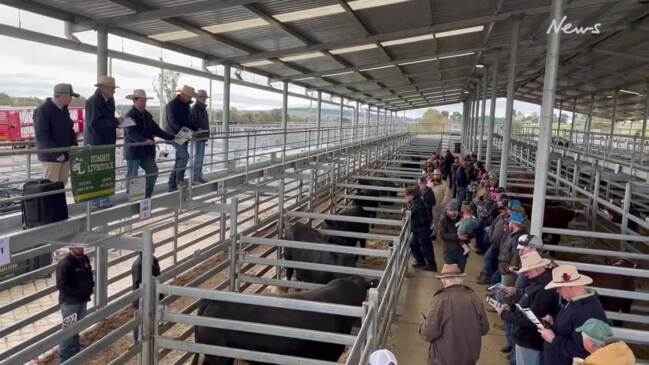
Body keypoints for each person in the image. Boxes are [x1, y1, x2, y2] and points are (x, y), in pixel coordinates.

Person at [498, 251, 560, 365]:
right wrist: (511, 307)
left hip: (530, 341)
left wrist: (505, 314)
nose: (525, 274)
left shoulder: (543, 289)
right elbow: (527, 305)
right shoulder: (538, 283)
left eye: (527, 271)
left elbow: (532, 321)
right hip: (528, 339)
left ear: (535, 269)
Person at [419, 264, 489, 365]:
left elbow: (429, 332)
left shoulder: (440, 300)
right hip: (470, 359)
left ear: (444, 280)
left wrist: (421, 328)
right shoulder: (474, 297)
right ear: (461, 279)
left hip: (444, 360)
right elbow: (484, 329)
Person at [540, 265, 607, 365]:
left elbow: (583, 351)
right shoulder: (574, 300)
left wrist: (553, 339)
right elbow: (570, 326)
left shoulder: (586, 312)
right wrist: (554, 321)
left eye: (559, 288)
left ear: (570, 286)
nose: (557, 291)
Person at [124, 89, 175, 198]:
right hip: (134, 151)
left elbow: (157, 130)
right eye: (141, 101)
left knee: (153, 171)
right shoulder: (128, 115)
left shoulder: (147, 115)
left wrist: (172, 137)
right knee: (132, 175)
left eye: (145, 101)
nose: (144, 103)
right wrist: (144, 141)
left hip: (145, 151)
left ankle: (146, 195)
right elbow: (130, 133)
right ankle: (131, 197)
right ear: (134, 101)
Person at [85, 75, 122, 209]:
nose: (114, 91)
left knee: (106, 172)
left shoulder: (110, 100)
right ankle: (94, 203)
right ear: (104, 88)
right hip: (96, 143)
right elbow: (93, 123)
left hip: (107, 142)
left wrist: (117, 122)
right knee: (95, 173)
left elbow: (106, 120)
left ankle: (105, 201)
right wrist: (115, 121)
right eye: (112, 88)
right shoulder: (93, 101)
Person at [33, 83, 79, 183]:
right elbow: (42, 135)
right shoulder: (43, 110)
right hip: (51, 158)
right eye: (70, 96)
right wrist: (57, 153)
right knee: (51, 186)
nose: (72, 99)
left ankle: (60, 199)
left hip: (65, 154)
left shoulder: (64, 109)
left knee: (61, 185)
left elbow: (69, 128)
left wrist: (73, 145)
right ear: (62, 96)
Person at [56, 245, 94, 363]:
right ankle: (64, 359)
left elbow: (89, 274)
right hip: (70, 303)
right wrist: (79, 293)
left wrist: (90, 286)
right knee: (68, 332)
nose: (81, 250)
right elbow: (61, 286)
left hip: (82, 300)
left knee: (76, 328)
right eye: (78, 248)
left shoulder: (84, 259)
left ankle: (75, 355)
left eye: (82, 248)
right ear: (71, 248)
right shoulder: (65, 264)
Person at [166, 85, 196, 192]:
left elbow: (188, 121)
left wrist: (194, 129)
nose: (190, 99)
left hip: (184, 134)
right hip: (174, 135)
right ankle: (179, 180)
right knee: (184, 156)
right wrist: (186, 131)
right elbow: (172, 121)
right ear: (183, 94)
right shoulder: (172, 105)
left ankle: (172, 184)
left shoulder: (186, 105)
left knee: (180, 159)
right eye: (189, 96)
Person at [131, 253, 161, 341]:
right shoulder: (138, 264)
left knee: (149, 317)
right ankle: (137, 342)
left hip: (152, 295)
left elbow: (157, 277)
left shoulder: (153, 260)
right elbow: (138, 284)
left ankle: (148, 339)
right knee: (140, 319)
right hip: (142, 298)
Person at [405, 187, 436, 271]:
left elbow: (413, 212)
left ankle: (432, 265)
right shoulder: (415, 201)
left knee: (426, 247)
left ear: (412, 195)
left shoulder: (418, 202)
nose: (406, 198)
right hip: (417, 228)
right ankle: (421, 261)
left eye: (407, 196)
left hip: (422, 228)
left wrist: (405, 210)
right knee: (413, 244)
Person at [498, 211, 528, 287]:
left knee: (506, 293)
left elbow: (517, 256)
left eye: (510, 222)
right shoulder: (514, 234)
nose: (508, 224)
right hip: (506, 268)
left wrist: (509, 268)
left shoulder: (517, 238)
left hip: (510, 272)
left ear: (513, 224)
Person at [438, 200, 467, 272]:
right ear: (447, 211)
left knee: (460, 272)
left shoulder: (462, 219)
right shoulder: (444, 220)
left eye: (455, 210)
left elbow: (469, 233)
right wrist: (457, 236)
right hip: (449, 251)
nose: (453, 213)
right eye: (451, 210)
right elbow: (442, 235)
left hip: (462, 252)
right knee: (450, 273)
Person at [190, 89, 210, 184]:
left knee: (200, 157)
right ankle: (195, 178)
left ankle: (199, 176)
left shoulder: (202, 109)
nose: (204, 99)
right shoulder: (195, 108)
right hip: (197, 136)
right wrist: (197, 128)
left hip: (202, 136)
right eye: (202, 97)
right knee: (197, 157)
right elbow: (192, 122)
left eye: (205, 97)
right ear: (197, 98)